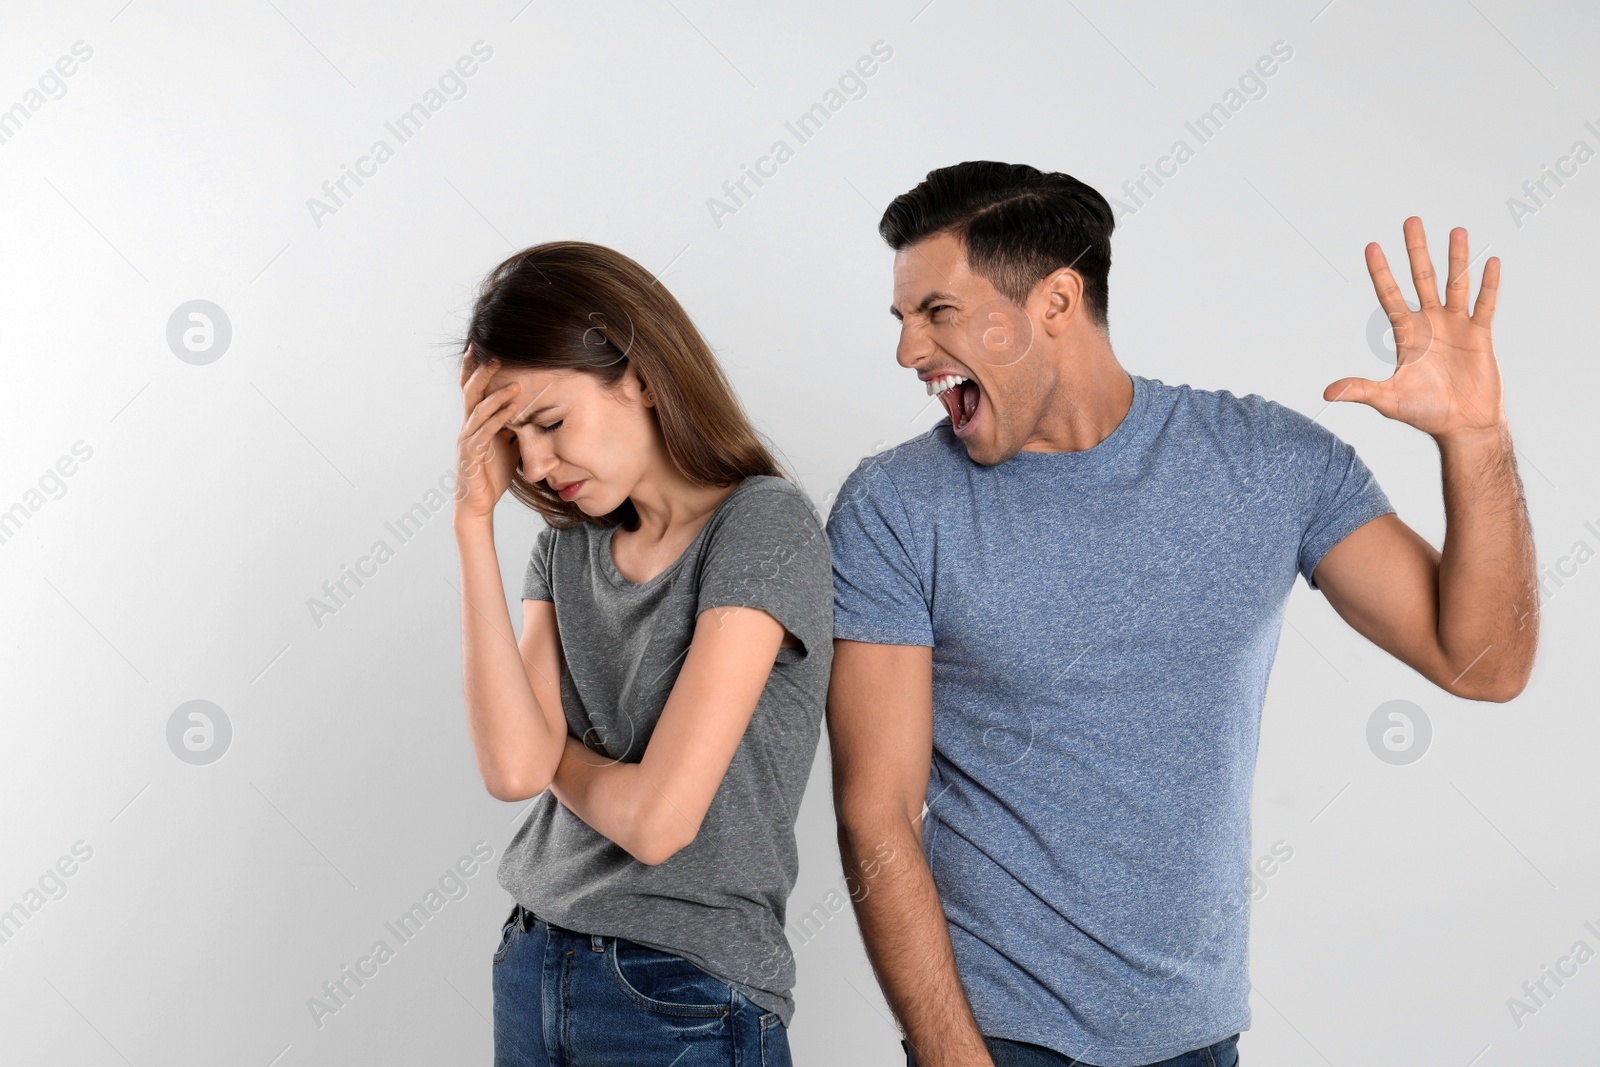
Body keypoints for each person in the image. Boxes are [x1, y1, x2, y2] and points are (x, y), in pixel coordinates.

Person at [823, 161, 1537, 1067]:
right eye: (903, 319)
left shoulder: (1266, 463)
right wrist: (950, 1054)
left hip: (1198, 1040)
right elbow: (876, 810)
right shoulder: (896, 506)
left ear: (1055, 301)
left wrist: (1476, 438)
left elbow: (1484, 663)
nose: (908, 352)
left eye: (938, 313)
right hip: (998, 1040)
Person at [452, 240, 832, 1066]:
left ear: (643, 376)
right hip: (533, 957)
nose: (538, 464)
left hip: (680, 989)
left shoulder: (762, 527)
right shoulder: (565, 547)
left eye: (550, 422)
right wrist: (472, 524)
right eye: (514, 437)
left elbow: (660, 824)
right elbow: (513, 769)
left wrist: (555, 746)